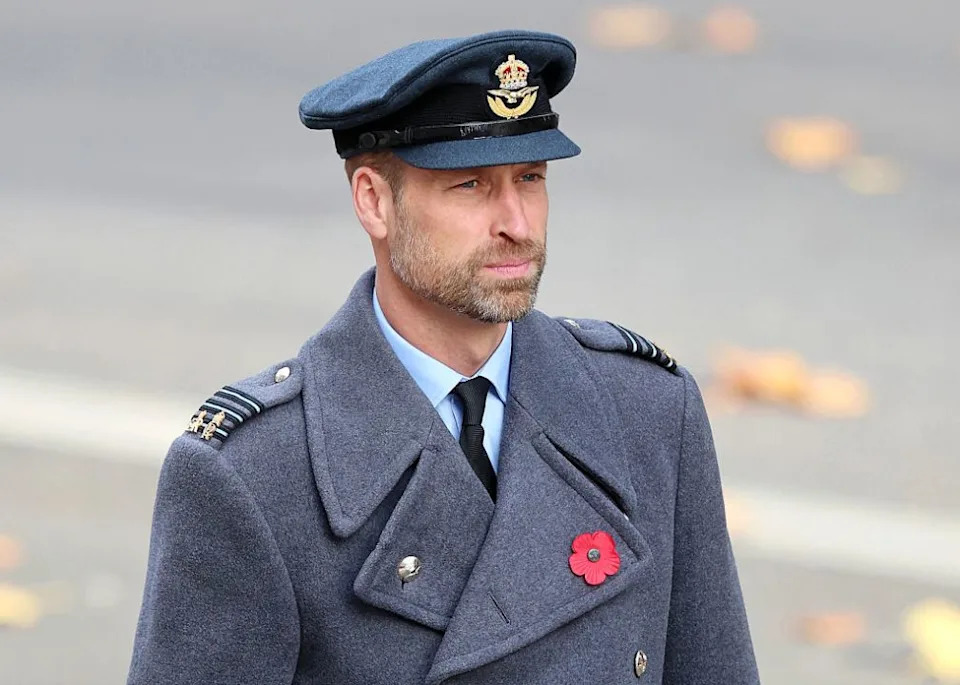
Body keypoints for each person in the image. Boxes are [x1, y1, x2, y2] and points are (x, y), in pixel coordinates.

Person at [127, 29, 759, 685]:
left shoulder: (649, 411)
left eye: (530, 178)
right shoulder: (255, 475)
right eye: (470, 186)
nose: (517, 221)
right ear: (374, 201)